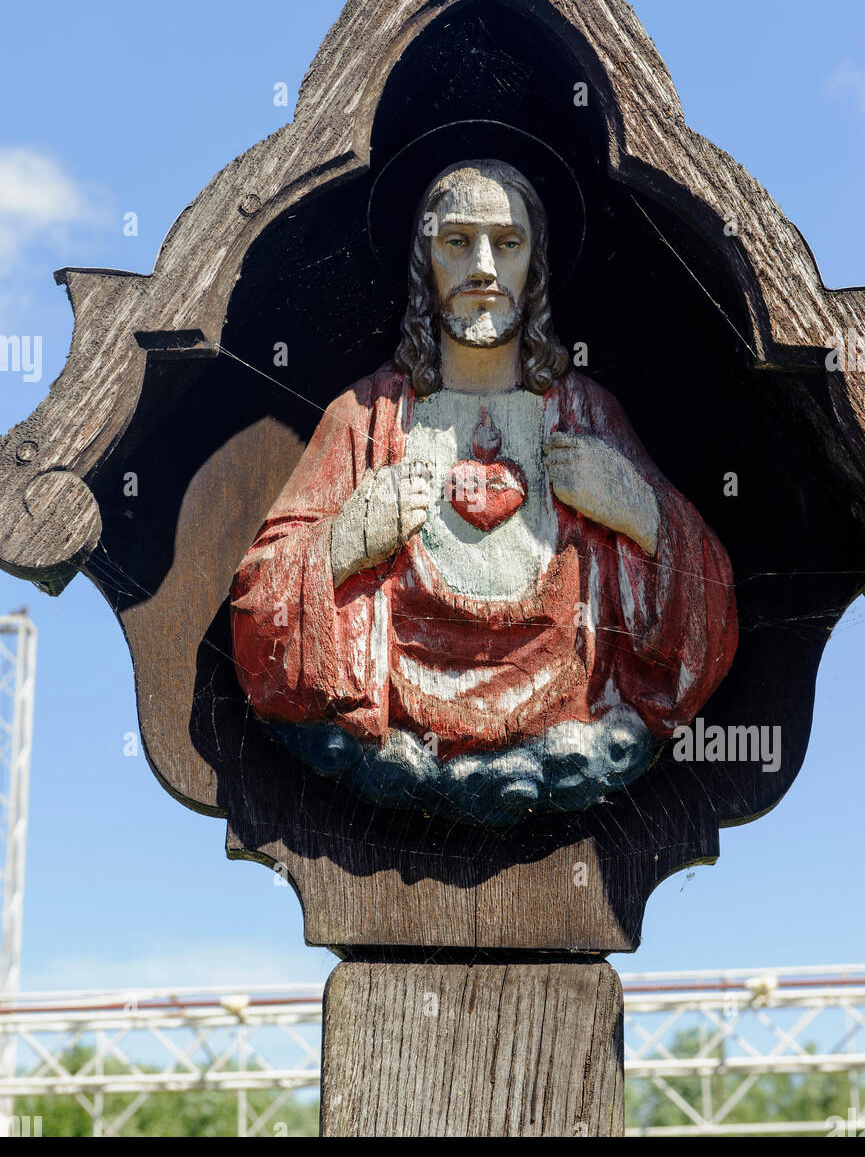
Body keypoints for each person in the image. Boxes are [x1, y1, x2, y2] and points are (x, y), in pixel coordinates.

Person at [230, 159, 738, 824]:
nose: (482, 268)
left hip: (575, 740)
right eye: (456, 241)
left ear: (534, 268)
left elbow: (711, 608)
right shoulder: (364, 419)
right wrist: (346, 541)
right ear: (424, 263)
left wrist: (640, 513)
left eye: (506, 243)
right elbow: (256, 610)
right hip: (393, 747)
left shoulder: (586, 416)